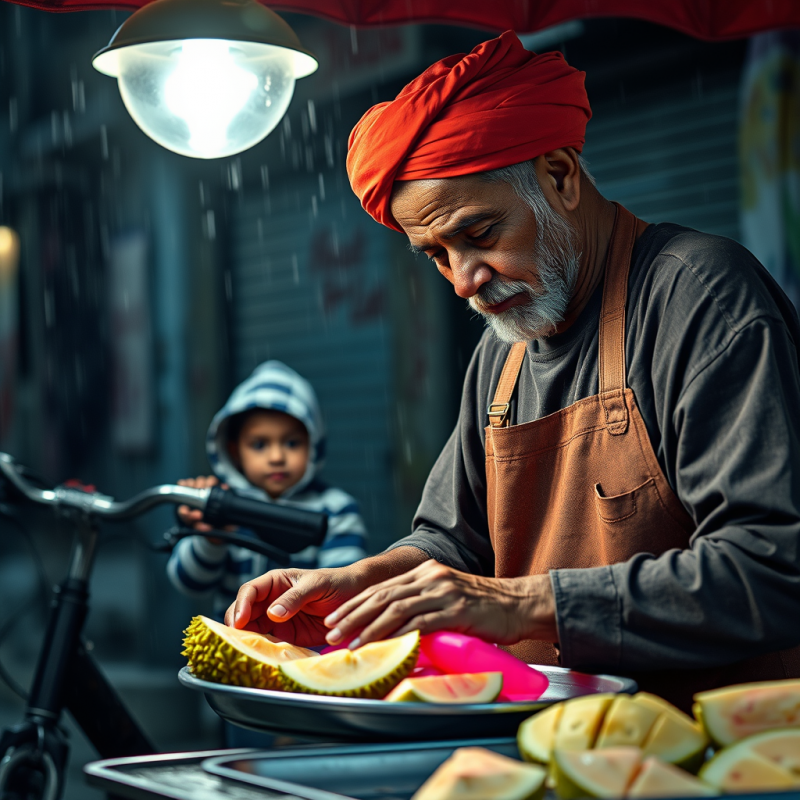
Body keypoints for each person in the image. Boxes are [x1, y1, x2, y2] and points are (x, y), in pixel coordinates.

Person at [224, 32, 800, 710]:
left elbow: (773, 567)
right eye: (434, 254)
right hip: (539, 738)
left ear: (559, 174)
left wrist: (515, 603)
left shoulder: (699, 296)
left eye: (479, 234)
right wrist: (360, 584)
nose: (464, 281)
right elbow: (453, 543)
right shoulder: (503, 351)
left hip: (706, 747)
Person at [167, 360, 368, 617]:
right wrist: (211, 538)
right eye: (259, 444)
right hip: (233, 648)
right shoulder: (225, 506)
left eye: (292, 443)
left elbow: (343, 591)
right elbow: (190, 583)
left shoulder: (337, 510)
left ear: (314, 445)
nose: (276, 457)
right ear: (234, 451)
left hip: (307, 653)